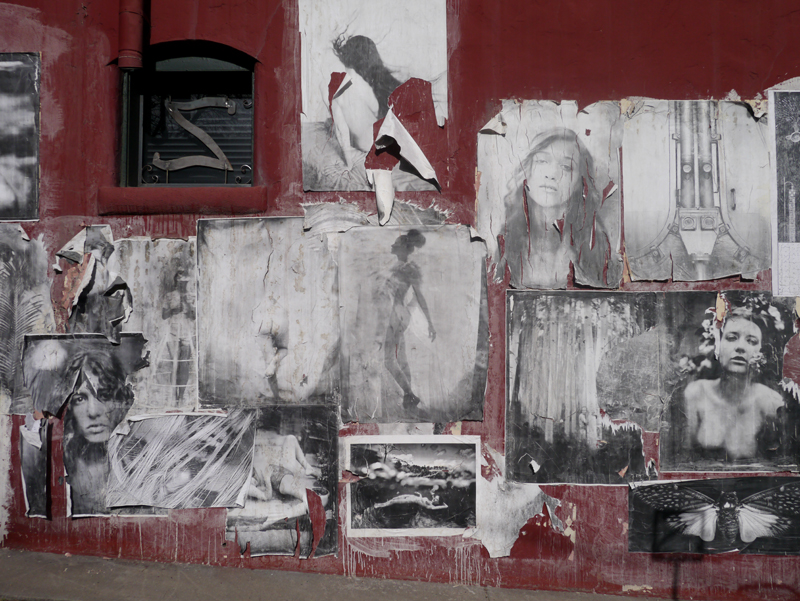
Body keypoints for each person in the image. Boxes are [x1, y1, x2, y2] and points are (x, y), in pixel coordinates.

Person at [499, 128, 615, 289]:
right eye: (542, 161)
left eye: (566, 167)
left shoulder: (594, 244)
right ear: (527, 170)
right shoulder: (503, 240)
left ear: (579, 182)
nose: (552, 174)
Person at [62, 350, 135, 514]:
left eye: (104, 395)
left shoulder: (139, 457)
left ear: (120, 399)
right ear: (69, 407)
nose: (93, 412)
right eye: (80, 399)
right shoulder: (59, 464)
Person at [380, 230, 436, 410]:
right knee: (401, 359)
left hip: (396, 314)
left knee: (389, 359)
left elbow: (420, 297)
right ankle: (409, 401)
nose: (393, 247)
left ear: (404, 248)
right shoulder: (397, 267)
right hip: (397, 314)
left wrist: (430, 323)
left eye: (396, 245)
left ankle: (409, 394)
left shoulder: (407, 269)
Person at [330, 35, 401, 171]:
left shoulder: (336, 90)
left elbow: (341, 130)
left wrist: (349, 164)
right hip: (380, 143)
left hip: (360, 145)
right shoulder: (361, 85)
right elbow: (375, 108)